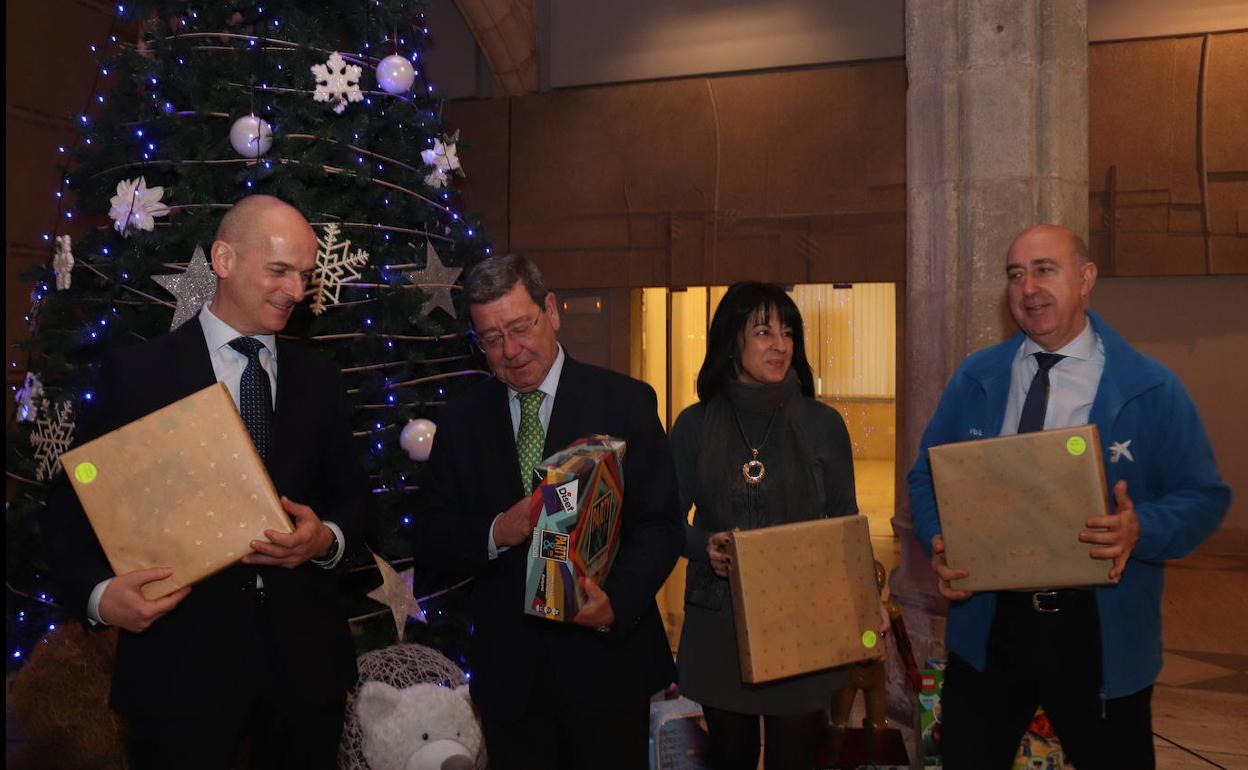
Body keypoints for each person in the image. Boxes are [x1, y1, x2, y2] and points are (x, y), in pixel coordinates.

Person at [47, 195, 369, 770]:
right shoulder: (137, 375)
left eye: (304, 274)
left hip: (305, 672)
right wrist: (102, 599)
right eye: (279, 270)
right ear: (223, 259)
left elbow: (356, 503)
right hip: (179, 671)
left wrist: (325, 541)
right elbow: (69, 516)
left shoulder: (320, 381)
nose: (296, 291)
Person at [907, 224, 1231, 769]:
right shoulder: (976, 379)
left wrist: (1140, 528)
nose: (1028, 287)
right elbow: (926, 477)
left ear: (1085, 279)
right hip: (990, 625)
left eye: (1044, 270)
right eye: (1015, 274)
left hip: (1099, 631)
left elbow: (1204, 496)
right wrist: (940, 535)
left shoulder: (1150, 388)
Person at [414, 253, 682, 769]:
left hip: (605, 667)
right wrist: (498, 530)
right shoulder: (463, 420)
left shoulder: (624, 402)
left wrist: (616, 601)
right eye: (492, 338)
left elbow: (660, 525)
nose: (511, 351)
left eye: (520, 327)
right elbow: (431, 534)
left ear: (552, 311)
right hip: (510, 679)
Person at [670, 282, 859, 770]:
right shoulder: (694, 425)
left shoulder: (823, 425)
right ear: (732, 341)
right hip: (718, 625)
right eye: (763, 331)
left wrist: (862, 610)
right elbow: (663, 522)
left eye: (788, 332)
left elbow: (844, 527)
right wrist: (701, 545)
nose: (780, 344)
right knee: (730, 759)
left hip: (802, 625)